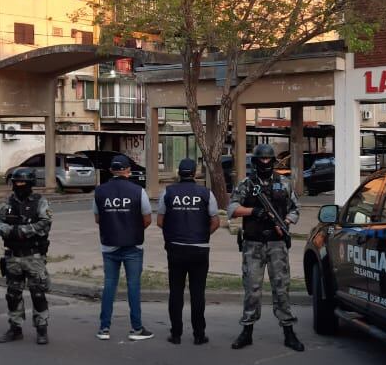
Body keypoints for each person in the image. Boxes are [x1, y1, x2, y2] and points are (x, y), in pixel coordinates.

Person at [227, 144, 304, 352]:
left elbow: (296, 208)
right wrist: (254, 211)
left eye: (268, 160)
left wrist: (286, 222)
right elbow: (232, 209)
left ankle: (289, 332)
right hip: (253, 244)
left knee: (282, 289)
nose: (265, 163)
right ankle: (247, 331)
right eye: (261, 160)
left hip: (277, 244)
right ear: (255, 162)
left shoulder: (284, 184)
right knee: (252, 289)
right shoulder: (247, 184)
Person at [157, 157, 220, 345]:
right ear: (195, 173)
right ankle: (199, 335)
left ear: (179, 173)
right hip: (199, 249)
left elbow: (160, 221)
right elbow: (216, 222)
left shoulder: (167, 192)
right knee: (197, 293)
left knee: (176, 292)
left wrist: (175, 234)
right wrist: (201, 234)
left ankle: (176, 334)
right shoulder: (206, 193)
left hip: (175, 248)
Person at [93, 154, 154, 341]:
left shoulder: (100, 191)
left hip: (109, 245)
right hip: (133, 245)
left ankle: (104, 328)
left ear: (111, 170)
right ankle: (136, 328)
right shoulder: (138, 191)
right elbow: (147, 219)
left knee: (110, 285)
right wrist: (131, 228)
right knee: (133, 286)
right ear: (128, 170)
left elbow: (97, 218)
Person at [0, 166, 52, 345]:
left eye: (22, 183)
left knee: (38, 294)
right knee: (13, 294)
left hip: (33, 257)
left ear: (30, 183)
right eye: (16, 182)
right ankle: (15, 328)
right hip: (13, 257)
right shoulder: (9, 203)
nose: (19, 185)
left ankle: (42, 329)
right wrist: (10, 230)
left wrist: (24, 231)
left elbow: (45, 223)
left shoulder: (40, 202)